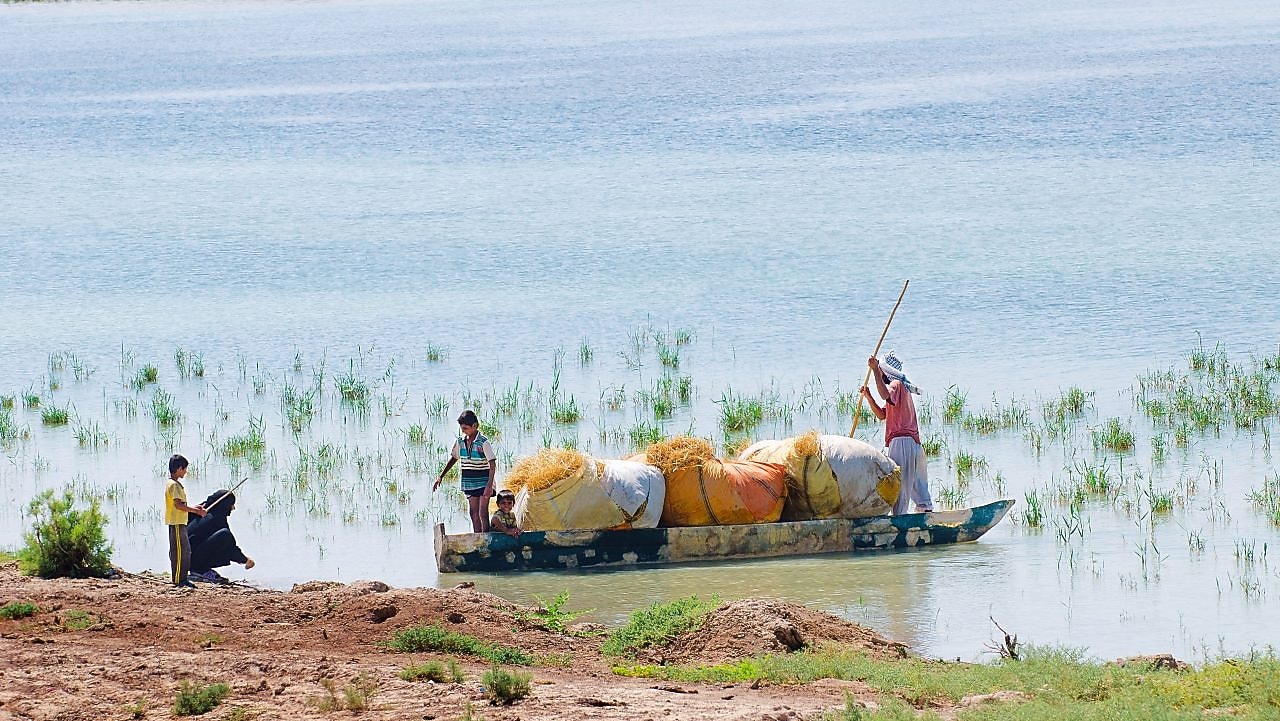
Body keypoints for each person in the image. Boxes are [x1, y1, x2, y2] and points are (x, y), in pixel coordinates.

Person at [860, 351, 934, 515]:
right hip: (913, 444)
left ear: (886, 372)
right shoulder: (902, 389)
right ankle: (925, 513)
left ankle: (899, 519)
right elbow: (882, 415)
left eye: (881, 371)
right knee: (917, 483)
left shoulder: (896, 385)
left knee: (899, 483)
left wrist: (874, 370)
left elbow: (885, 394)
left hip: (901, 442)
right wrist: (869, 397)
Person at [433, 410, 497, 532]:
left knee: (482, 512)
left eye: (466, 428)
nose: (464, 431)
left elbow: (492, 463)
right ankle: (477, 538)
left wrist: (489, 485)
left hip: (484, 481)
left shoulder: (483, 442)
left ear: (475, 426)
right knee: (473, 513)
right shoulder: (460, 442)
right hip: (469, 482)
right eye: (462, 428)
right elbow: (454, 458)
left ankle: (487, 538)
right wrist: (441, 476)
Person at [187, 490, 255, 584]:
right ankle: (200, 570)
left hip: (184, 559)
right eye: (231, 504)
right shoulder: (217, 518)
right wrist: (245, 560)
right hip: (191, 560)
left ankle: (199, 568)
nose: (233, 508)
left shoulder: (199, 512)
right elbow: (230, 546)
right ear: (225, 505)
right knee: (225, 535)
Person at [164, 454, 206, 589]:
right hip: (176, 523)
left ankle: (183, 578)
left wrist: (195, 508)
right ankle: (178, 580)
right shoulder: (174, 485)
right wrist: (195, 511)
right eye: (185, 469)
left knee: (186, 550)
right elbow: (178, 505)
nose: (186, 472)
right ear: (179, 468)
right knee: (179, 552)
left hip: (180, 522)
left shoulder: (175, 484)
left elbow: (181, 504)